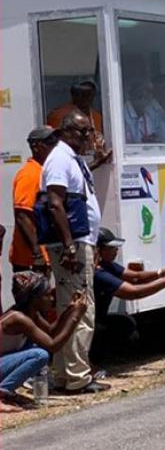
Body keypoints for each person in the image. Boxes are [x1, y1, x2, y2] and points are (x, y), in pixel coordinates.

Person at [42, 109, 108, 393]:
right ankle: (78, 377)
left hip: (82, 242)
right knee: (81, 309)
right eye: (82, 132)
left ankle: (63, 375)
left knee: (71, 307)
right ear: (66, 131)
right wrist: (69, 245)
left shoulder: (73, 159)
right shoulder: (59, 159)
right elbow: (55, 203)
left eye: (88, 132)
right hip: (72, 245)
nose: (87, 137)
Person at [91, 229, 165, 352]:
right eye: (111, 247)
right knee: (111, 329)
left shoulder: (107, 266)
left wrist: (163, 272)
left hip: (98, 319)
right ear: (98, 250)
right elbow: (134, 292)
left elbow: (135, 277)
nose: (116, 251)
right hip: (90, 323)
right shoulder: (98, 274)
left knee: (126, 324)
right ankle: (93, 360)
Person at [1, 272, 88, 409]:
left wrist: (70, 310)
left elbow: (50, 332)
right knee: (40, 354)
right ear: (35, 298)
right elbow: (52, 346)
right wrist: (76, 316)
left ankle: (7, 392)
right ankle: (3, 393)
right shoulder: (18, 318)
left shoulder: (30, 314)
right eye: (47, 295)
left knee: (35, 346)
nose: (52, 298)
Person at [10, 127, 55, 279]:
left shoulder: (44, 170)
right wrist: (37, 254)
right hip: (30, 260)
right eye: (50, 142)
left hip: (42, 257)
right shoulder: (30, 174)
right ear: (36, 146)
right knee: (33, 302)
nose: (55, 146)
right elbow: (22, 215)